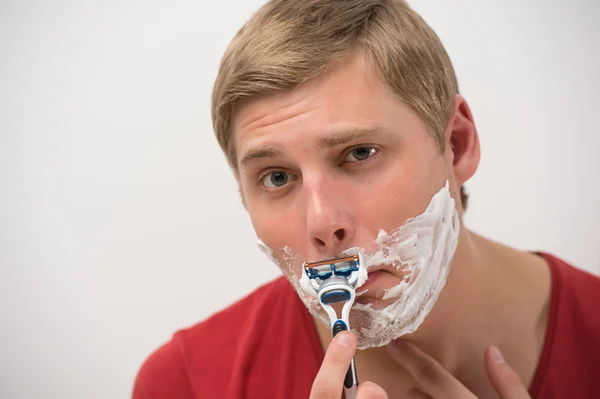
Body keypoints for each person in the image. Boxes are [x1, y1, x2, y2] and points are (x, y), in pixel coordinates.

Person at [132, 0, 600, 398]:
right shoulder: (186, 383)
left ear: (456, 144)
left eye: (359, 153)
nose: (321, 223)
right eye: (277, 177)